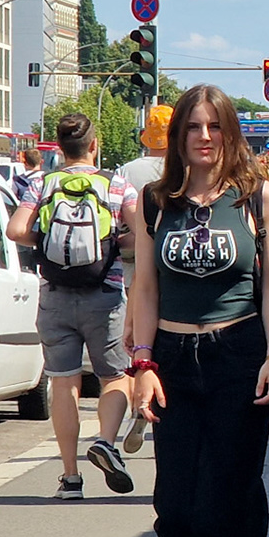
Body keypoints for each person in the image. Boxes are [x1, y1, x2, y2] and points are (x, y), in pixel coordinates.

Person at [125, 85, 269, 537]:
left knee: (217, 511)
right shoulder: (153, 201)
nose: (202, 137)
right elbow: (144, 286)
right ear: (176, 137)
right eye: (192, 127)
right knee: (173, 512)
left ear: (229, 133)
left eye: (214, 126)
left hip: (236, 354)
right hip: (170, 358)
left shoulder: (257, 197)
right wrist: (142, 364)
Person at [6, 113, 137, 501]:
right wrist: (111, 243)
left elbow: (16, 230)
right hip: (106, 296)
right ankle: (107, 442)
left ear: (60, 149)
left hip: (56, 295)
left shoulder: (41, 184)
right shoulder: (116, 185)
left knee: (64, 382)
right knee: (115, 377)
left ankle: (70, 477)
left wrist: (47, 242)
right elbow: (141, 233)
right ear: (94, 146)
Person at [116, 103, 173, 459]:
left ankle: (143, 398)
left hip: (133, 266)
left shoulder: (127, 170)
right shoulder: (180, 170)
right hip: (176, 268)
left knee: (141, 335)